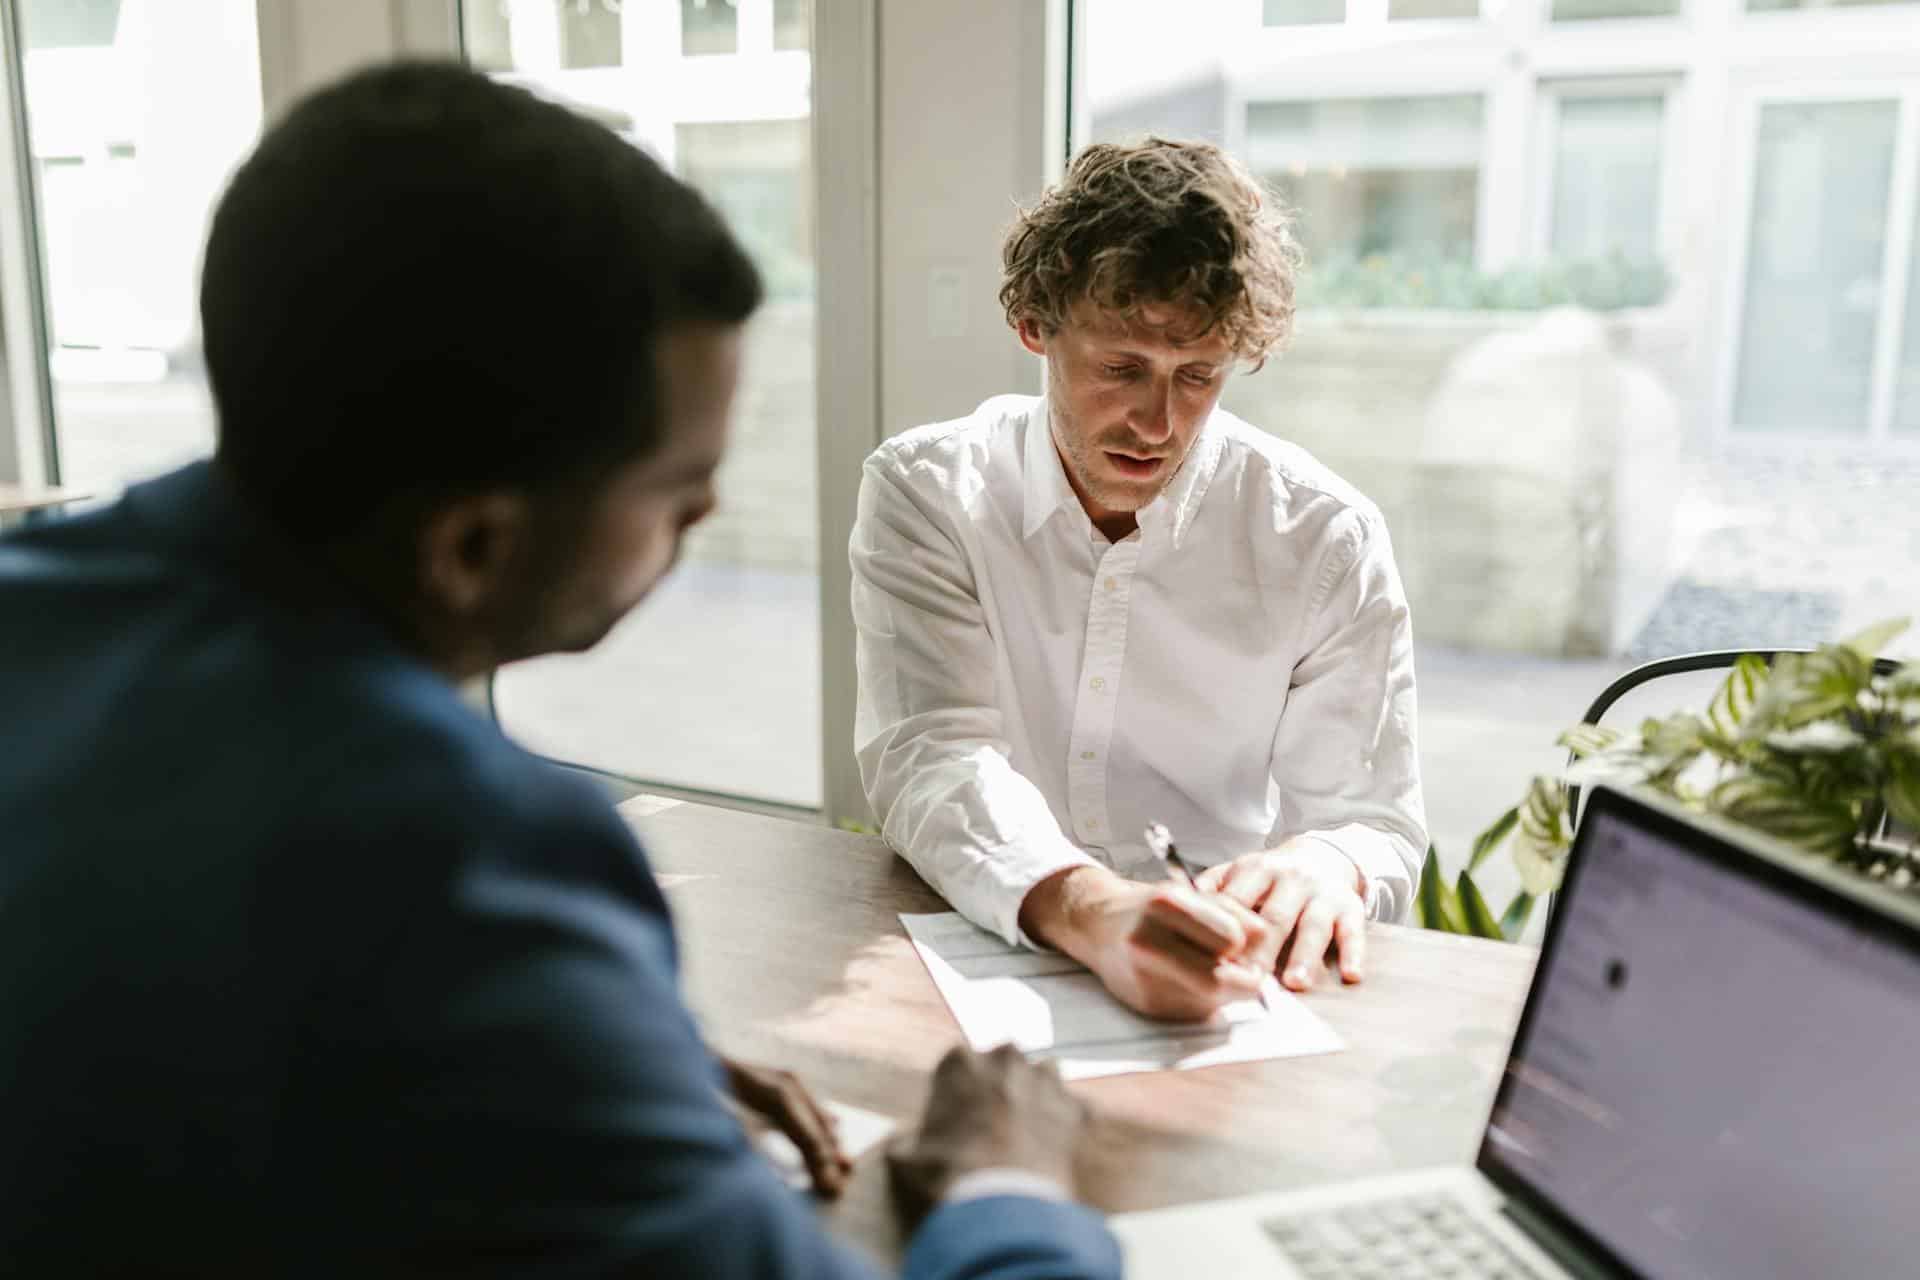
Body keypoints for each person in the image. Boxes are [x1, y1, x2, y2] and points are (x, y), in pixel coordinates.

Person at [0, 62, 1117, 1279]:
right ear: (474, 545)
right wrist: (1011, 1186)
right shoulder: (468, 858)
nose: (711, 508)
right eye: (676, 492)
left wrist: (573, 1060)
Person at [852, 138, 1426, 1022]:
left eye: (1197, 378)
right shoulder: (929, 491)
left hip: (1226, 975)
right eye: (1121, 369)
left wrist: (1326, 864)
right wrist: (1094, 908)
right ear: (1035, 326)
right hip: (975, 949)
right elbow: (930, 752)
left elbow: (1373, 821)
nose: (1158, 423)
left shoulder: (1324, 537)